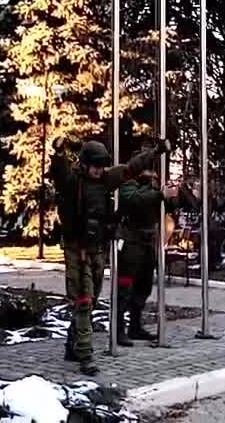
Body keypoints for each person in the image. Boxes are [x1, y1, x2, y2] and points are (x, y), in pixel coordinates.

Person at [50, 137, 167, 375]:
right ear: (85, 164)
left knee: (90, 300)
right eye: (95, 165)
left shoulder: (105, 180)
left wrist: (156, 152)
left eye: (102, 165)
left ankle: (73, 345)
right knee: (83, 300)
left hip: (97, 248)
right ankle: (86, 354)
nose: (99, 170)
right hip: (77, 248)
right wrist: (59, 152)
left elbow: (130, 168)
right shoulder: (73, 182)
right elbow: (59, 172)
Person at [116, 169, 180, 344]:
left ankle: (135, 326)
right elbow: (136, 200)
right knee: (124, 288)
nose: (152, 179)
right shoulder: (129, 185)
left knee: (143, 286)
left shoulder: (155, 192)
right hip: (131, 242)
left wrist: (173, 196)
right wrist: (159, 194)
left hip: (148, 242)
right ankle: (118, 329)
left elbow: (170, 207)